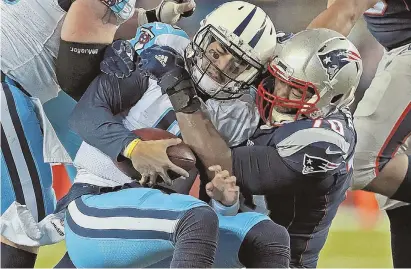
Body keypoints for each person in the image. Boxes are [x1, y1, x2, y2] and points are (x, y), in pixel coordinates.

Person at [63, 2, 290, 267]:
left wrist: (225, 203)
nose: (223, 65)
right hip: (99, 199)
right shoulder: (163, 52)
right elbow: (84, 115)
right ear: (203, 36)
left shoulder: (241, 112)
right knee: (195, 220)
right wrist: (134, 148)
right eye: (220, 50)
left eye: (238, 64)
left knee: (269, 237)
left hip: (166, 220)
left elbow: (214, 191)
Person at [0, 0, 195, 267]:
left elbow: (100, 18)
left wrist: (153, 16)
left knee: (99, 168)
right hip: (9, 75)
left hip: (19, 74)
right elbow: (73, 73)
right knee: (29, 212)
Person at [159, 28, 363, 267]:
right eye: (279, 79)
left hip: (277, 259)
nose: (280, 93)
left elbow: (223, 166)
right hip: (227, 236)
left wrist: (180, 92)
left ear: (333, 99)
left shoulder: (323, 140)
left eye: (296, 90)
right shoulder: (293, 69)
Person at [308, 0, 411, 267]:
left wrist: (288, 60)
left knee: (359, 157)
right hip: (397, 51)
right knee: (397, 187)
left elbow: (347, 12)